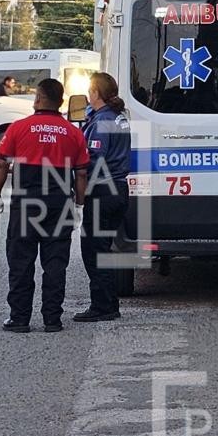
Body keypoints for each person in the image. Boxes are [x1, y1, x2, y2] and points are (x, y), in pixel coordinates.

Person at [0, 78, 89, 334]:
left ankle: (20, 318)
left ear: (37, 98)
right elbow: (80, 174)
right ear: (61, 102)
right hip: (59, 204)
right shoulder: (73, 133)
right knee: (55, 262)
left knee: (21, 261)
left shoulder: (18, 128)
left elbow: (1, 164)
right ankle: (52, 319)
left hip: (26, 202)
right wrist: (79, 205)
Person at [74, 73, 132, 323]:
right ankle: (108, 303)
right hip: (119, 189)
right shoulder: (118, 118)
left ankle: (104, 306)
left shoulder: (101, 122)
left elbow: (94, 161)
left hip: (103, 192)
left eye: (90, 89)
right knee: (103, 247)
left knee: (94, 250)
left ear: (96, 92)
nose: (88, 93)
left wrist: (79, 189)